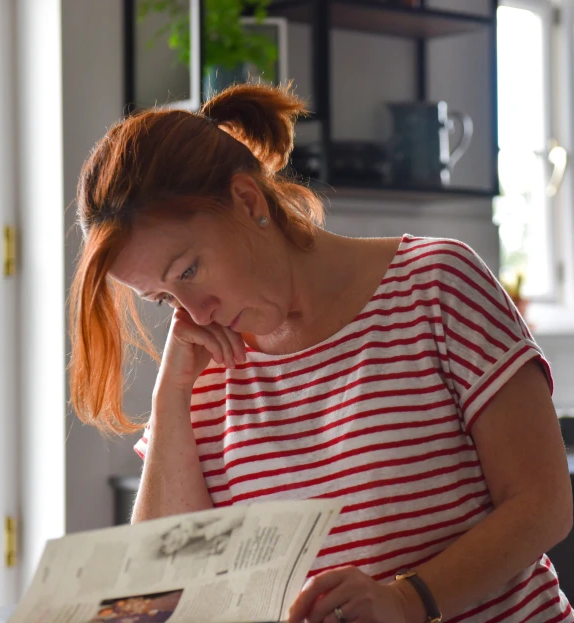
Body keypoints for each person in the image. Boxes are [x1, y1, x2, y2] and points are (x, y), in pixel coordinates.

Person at [68, 83, 573, 623]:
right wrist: (171, 400)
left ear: (247, 200)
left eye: (189, 271)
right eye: (165, 297)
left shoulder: (436, 285)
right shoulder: (199, 371)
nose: (196, 312)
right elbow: (162, 592)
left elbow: (542, 505)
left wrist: (409, 599)